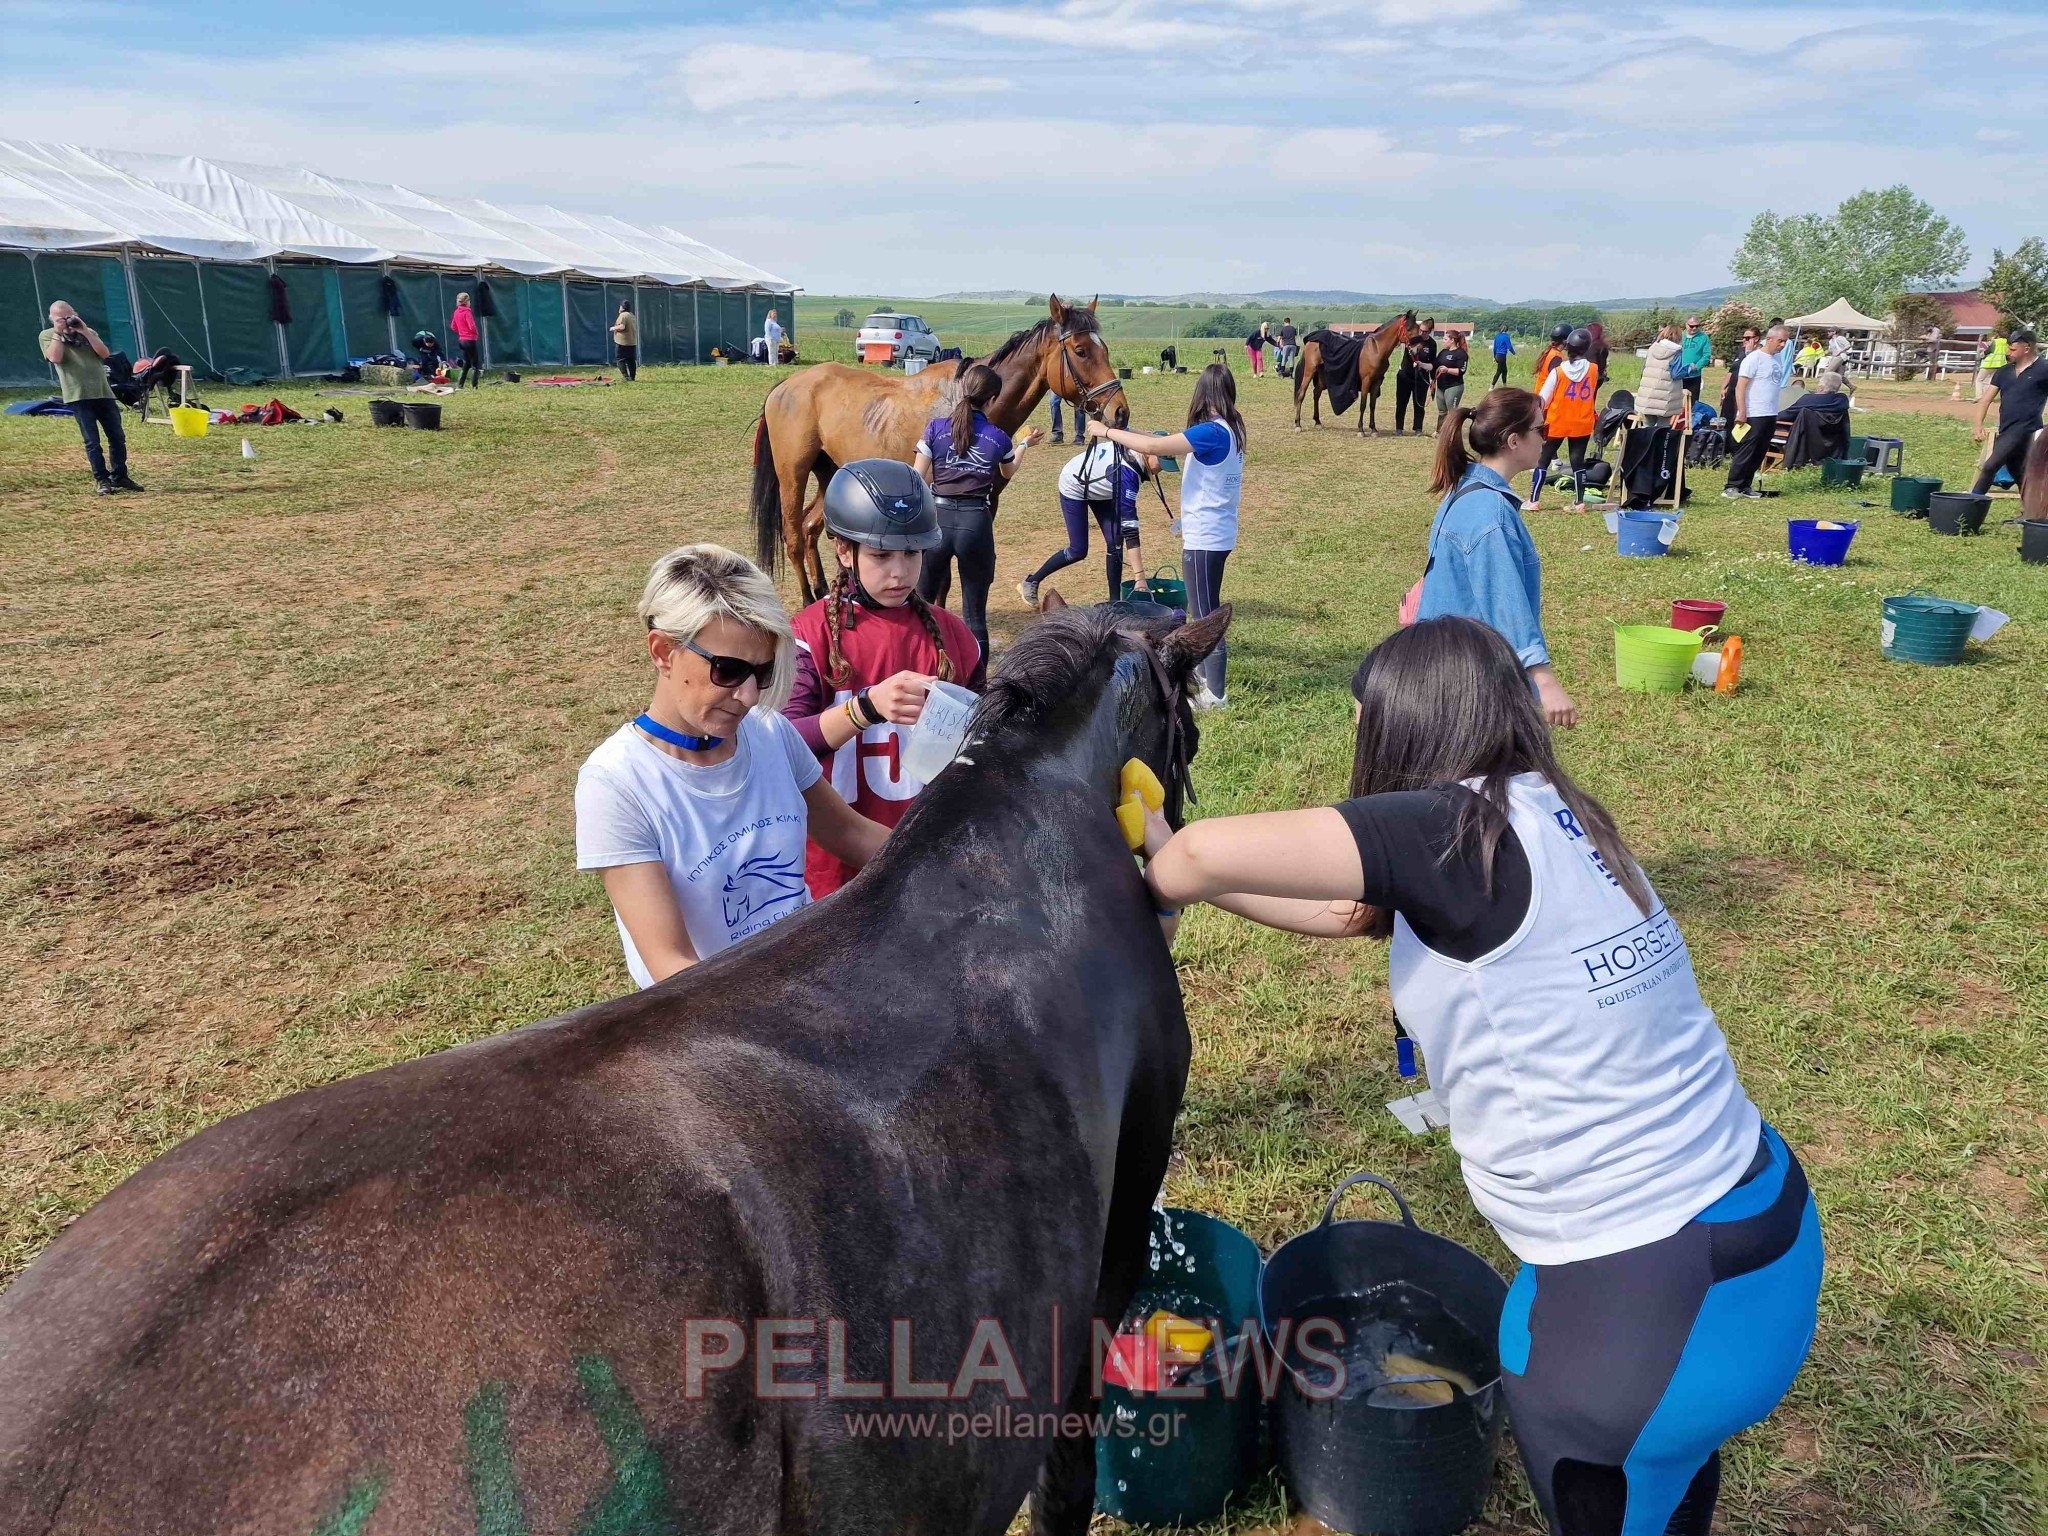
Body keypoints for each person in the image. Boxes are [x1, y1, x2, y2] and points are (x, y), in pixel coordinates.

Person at [1136, 615, 1821, 1536]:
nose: (1355, 735)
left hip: (1652, 1309)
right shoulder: (1557, 818)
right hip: (1757, 1224)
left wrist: (1158, 849)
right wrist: (1181, 859)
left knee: (1603, 1490)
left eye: (1360, 717)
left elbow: (1199, 856)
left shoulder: (1448, 824)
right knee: (1659, 1487)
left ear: (1410, 722)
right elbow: (1349, 914)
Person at [574, 544, 887, 985]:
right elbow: (672, 967)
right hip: (717, 1022)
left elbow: (850, 834)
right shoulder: (616, 784)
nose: (749, 696)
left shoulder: (770, 733)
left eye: (761, 673)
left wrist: (959, 864)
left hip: (812, 978)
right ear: (663, 652)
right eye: (727, 670)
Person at [784, 462, 985, 897]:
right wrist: (865, 708)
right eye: (881, 555)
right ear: (842, 551)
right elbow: (781, 744)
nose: (899, 572)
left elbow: (988, 748)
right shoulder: (808, 635)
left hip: (930, 858)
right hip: (834, 874)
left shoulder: (957, 637)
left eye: (912, 554)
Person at [1088, 361, 1244, 709]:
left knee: (1206, 614)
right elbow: (1160, 443)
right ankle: (1205, 681)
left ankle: (1215, 695)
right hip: (1216, 533)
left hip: (1206, 537)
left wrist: (1107, 432)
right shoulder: (1230, 429)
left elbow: (1155, 448)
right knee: (1205, 607)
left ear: (1203, 394)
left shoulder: (1211, 432)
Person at [1421, 388, 1577, 726]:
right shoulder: (1491, 513)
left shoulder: (1466, 489)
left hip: (1444, 664)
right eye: (1541, 430)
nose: (1545, 439)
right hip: (1469, 680)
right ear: (1513, 440)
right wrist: (1545, 681)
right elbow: (1505, 602)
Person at [913, 362, 1036, 655]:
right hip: (976, 524)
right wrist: (1024, 445)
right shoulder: (999, 437)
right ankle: (977, 682)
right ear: (992, 400)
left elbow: (916, 476)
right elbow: (1007, 473)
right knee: (975, 615)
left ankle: (919, 665)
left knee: (921, 606)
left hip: (937, 523)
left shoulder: (935, 429)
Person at [1018, 435, 1159, 606]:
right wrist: (1140, 578)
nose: (1161, 469)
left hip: (1101, 485)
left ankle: (1114, 603)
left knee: (1115, 541)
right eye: (1161, 462)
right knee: (1078, 550)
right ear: (1148, 453)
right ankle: (1031, 581)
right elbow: (1130, 530)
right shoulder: (1128, 475)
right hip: (1075, 483)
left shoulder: (1135, 445)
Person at [38, 301, 139, 497]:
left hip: (103, 392)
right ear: (52, 319)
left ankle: (120, 476)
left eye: (69, 316)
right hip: (78, 395)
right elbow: (55, 358)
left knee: (117, 437)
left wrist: (84, 331)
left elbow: (104, 353)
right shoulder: (47, 335)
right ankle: (102, 479)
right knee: (92, 441)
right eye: (61, 319)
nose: (67, 322)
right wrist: (59, 333)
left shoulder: (87, 331)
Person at [1523, 327, 1600, 511]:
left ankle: (1534, 500)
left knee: (1543, 460)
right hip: (1582, 422)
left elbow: (1543, 398)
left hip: (1557, 421)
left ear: (1568, 347)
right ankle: (1579, 502)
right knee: (1577, 461)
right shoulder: (1594, 369)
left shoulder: (1558, 371)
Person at [1970, 327, 2046, 496]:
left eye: (2012, 349)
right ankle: (2032, 515)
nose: (2007, 352)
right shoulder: (2004, 371)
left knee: (1990, 466)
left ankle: (1968, 508)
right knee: (2019, 472)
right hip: (2006, 428)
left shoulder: (2044, 369)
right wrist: (1978, 425)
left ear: (2026, 348)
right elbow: (1985, 400)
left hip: (2028, 428)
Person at [1725, 323, 1789, 499]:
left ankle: (1746, 485)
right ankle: (1732, 485)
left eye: (1785, 341)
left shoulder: (1777, 359)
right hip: (1754, 412)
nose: (1783, 345)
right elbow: (1740, 387)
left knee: (1759, 451)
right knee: (1746, 450)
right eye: (1780, 341)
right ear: (1769, 339)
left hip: (1770, 412)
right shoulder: (1754, 359)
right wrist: (1742, 411)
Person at [1635, 323, 1687, 427]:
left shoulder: (1652, 348)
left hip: (1648, 394)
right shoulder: (1676, 352)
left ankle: (1644, 443)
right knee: (1663, 427)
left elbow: (1644, 369)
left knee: (1647, 425)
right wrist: (1689, 369)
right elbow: (1676, 374)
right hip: (1666, 396)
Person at [1394, 317, 1439, 435]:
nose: (1422, 333)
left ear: (1430, 331)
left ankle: (1418, 428)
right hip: (1405, 376)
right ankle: (1399, 428)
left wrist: (1422, 365)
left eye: (1425, 332)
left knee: (1419, 404)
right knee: (1401, 403)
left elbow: (1432, 365)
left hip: (1421, 378)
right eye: (1421, 330)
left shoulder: (1432, 344)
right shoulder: (1412, 340)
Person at [1718, 325, 1760, 422]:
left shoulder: (1757, 354)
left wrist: (1749, 353)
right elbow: (1731, 371)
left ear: (1756, 339)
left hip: (1743, 391)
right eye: (1743, 338)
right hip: (1731, 390)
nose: (1744, 340)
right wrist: (1723, 388)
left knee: (1737, 419)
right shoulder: (1740, 351)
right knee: (1726, 419)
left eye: (1748, 338)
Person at [1432, 329, 1469, 430]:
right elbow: (1434, 366)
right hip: (1441, 386)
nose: (1443, 341)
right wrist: (1421, 364)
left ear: (1452, 340)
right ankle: (1439, 431)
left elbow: (1461, 370)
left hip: (1454, 386)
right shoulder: (1443, 352)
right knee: (1441, 411)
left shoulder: (1461, 354)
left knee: (1452, 411)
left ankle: (1453, 432)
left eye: (1445, 339)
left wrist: (1447, 370)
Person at [1676, 315, 1713, 409]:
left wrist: (1697, 366)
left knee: (1692, 405)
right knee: (1677, 404)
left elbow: (1706, 355)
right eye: (1691, 326)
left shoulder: (1703, 338)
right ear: (1686, 325)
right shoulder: (1680, 336)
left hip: (1694, 376)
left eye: (1697, 326)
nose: (1694, 328)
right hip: (1679, 376)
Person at [450, 292, 481, 390]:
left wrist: (461, 332)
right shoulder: (467, 312)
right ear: (467, 302)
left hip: (462, 341)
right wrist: (475, 333)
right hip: (470, 340)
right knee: (475, 364)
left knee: (467, 363)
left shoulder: (456, 312)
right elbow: (471, 326)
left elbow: (453, 326)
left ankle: (460, 384)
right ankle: (474, 385)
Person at [1531, 322, 1570, 395]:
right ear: (1565, 341)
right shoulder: (1556, 357)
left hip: (1540, 391)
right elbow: (1556, 379)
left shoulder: (1551, 351)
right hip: (1545, 394)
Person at [1973, 329, 2008, 403]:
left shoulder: (1996, 342)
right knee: (1989, 381)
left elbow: (1989, 350)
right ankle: (1987, 398)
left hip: (1989, 363)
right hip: (1999, 365)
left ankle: (1979, 397)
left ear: (1998, 335)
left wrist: (1983, 354)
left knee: (1979, 380)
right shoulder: (2007, 343)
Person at [611, 301, 639, 381]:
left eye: (620, 306)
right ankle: (632, 377)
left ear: (622, 307)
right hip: (632, 342)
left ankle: (626, 377)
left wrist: (613, 328)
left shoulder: (623, 315)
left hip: (622, 342)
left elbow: (622, 326)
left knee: (620, 359)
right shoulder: (632, 315)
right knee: (631, 360)